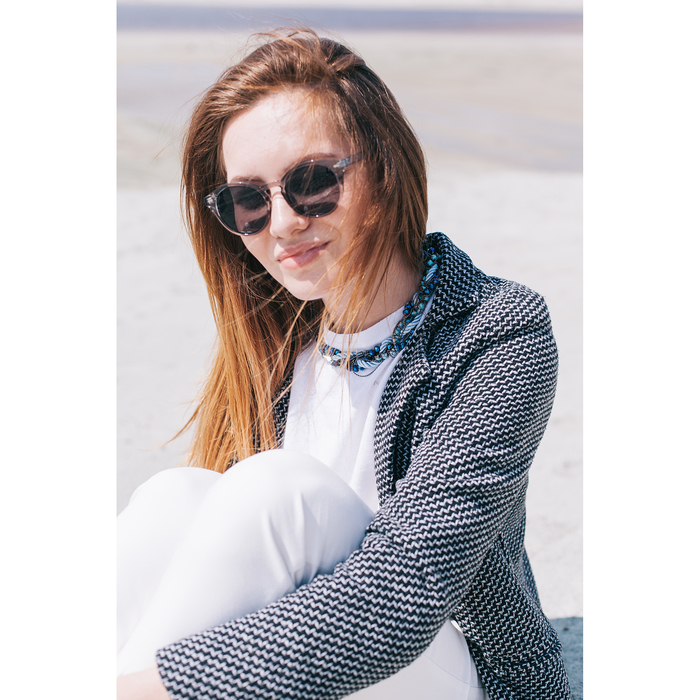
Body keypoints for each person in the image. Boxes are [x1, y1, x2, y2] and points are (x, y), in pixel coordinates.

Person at [117, 28, 571, 700]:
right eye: (248, 201)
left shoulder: (497, 329)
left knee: (279, 492)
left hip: (452, 668)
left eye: (310, 183)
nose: (282, 223)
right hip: (305, 669)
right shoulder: (280, 340)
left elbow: (407, 591)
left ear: (384, 172)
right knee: (172, 499)